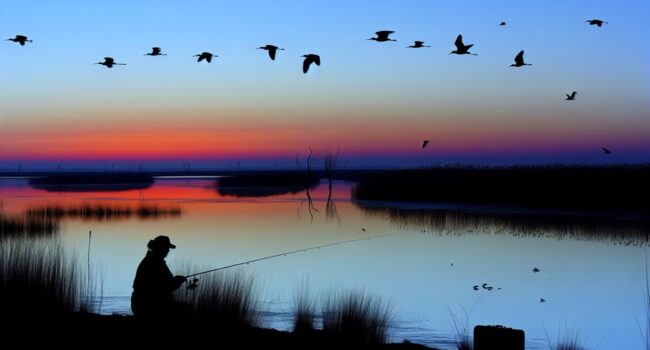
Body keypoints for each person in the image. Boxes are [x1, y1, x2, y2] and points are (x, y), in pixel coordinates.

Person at [131, 235, 190, 319]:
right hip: (149, 306)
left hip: (141, 304)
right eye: (166, 248)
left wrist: (175, 280)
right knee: (187, 309)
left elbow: (163, 283)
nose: (168, 250)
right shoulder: (155, 263)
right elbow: (167, 286)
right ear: (160, 248)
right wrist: (178, 281)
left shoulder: (151, 260)